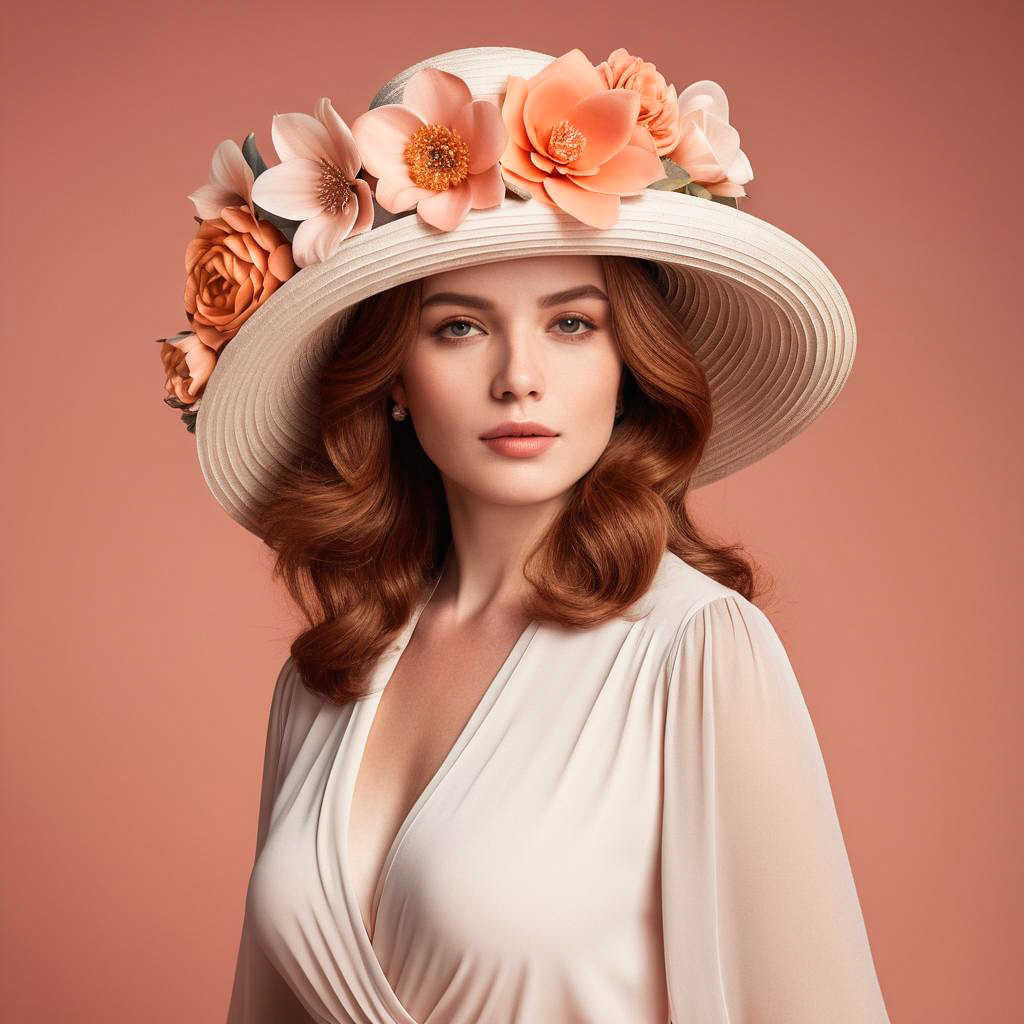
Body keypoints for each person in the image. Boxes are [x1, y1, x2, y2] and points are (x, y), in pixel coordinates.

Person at [156, 44, 892, 1024]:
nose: (519, 378)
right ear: (391, 383)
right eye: (459, 326)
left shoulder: (693, 650)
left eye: (571, 324)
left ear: (628, 362)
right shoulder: (322, 679)